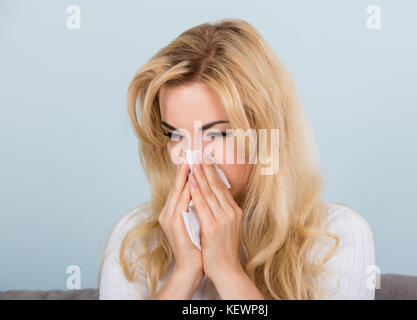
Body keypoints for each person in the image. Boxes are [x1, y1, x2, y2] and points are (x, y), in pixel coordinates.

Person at [97, 18, 376, 300]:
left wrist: (227, 272)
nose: (192, 159)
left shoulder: (335, 238)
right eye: (176, 135)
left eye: (217, 135)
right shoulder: (135, 239)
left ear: (266, 135)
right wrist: (186, 273)